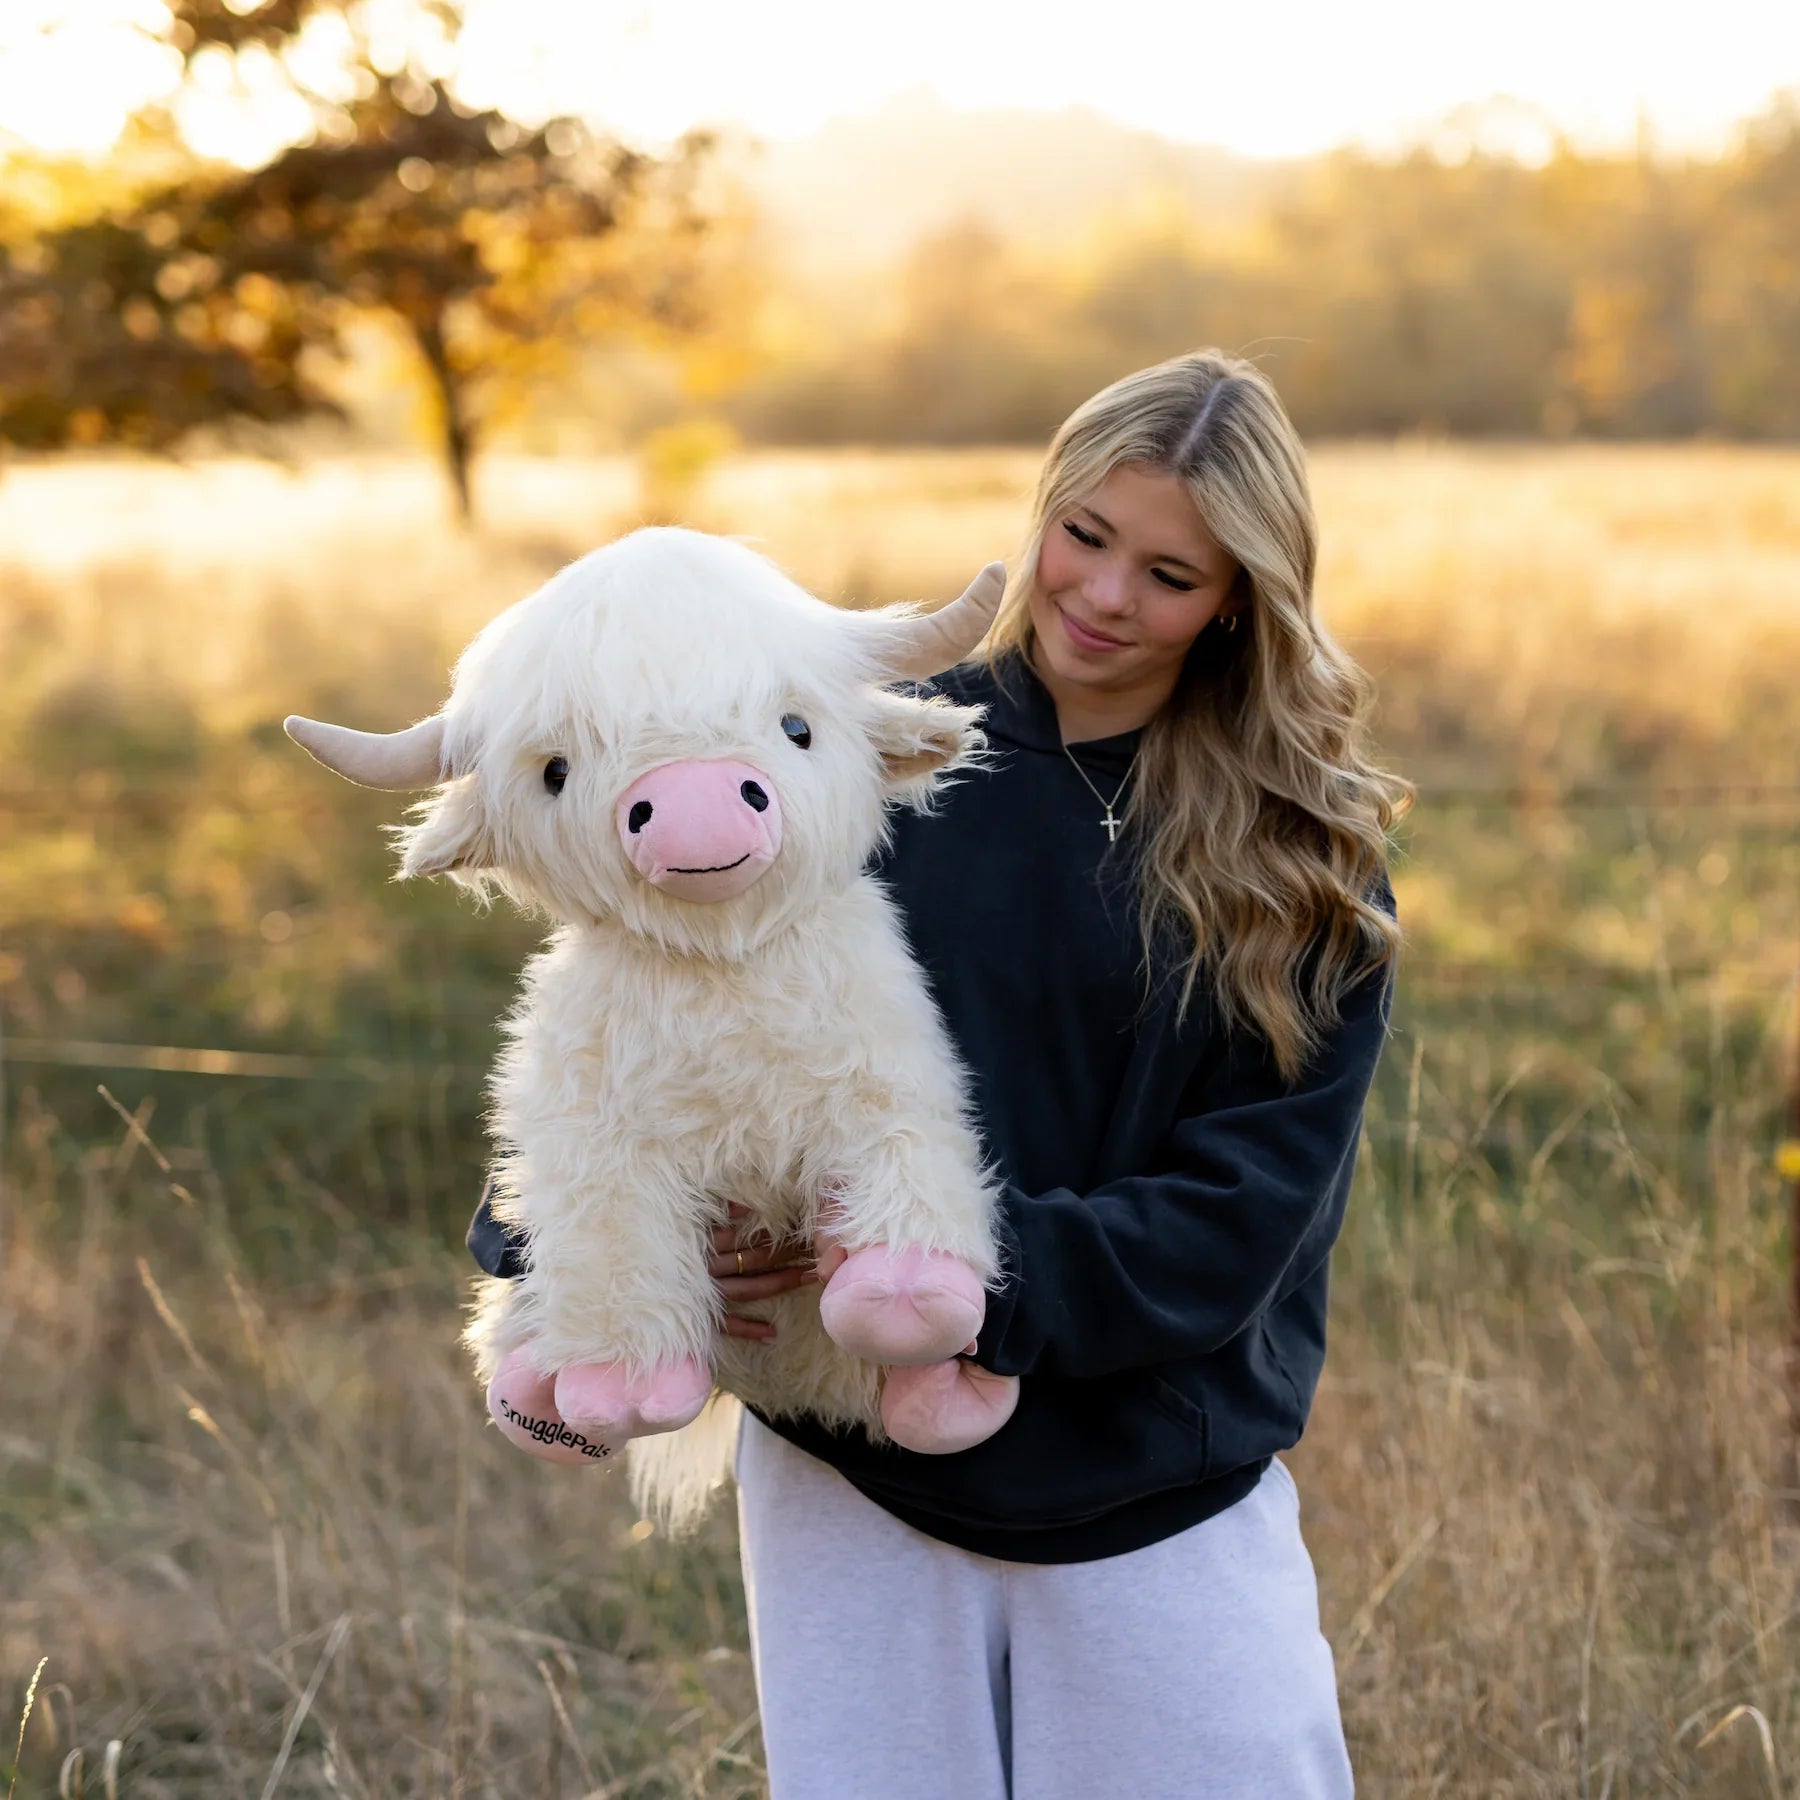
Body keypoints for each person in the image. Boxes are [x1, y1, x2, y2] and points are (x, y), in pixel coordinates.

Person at [466, 348, 1407, 1798]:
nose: (1102, 594)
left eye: (1171, 571)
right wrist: (611, 1249)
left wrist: (950, 1271)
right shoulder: (842, 754)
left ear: (1242, 598)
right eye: (1084, 534)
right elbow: (627, 1016)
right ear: (1042, 510)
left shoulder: (1299, 859)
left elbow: (1247, 1205)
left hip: (1152, 1470)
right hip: (854, 1473)